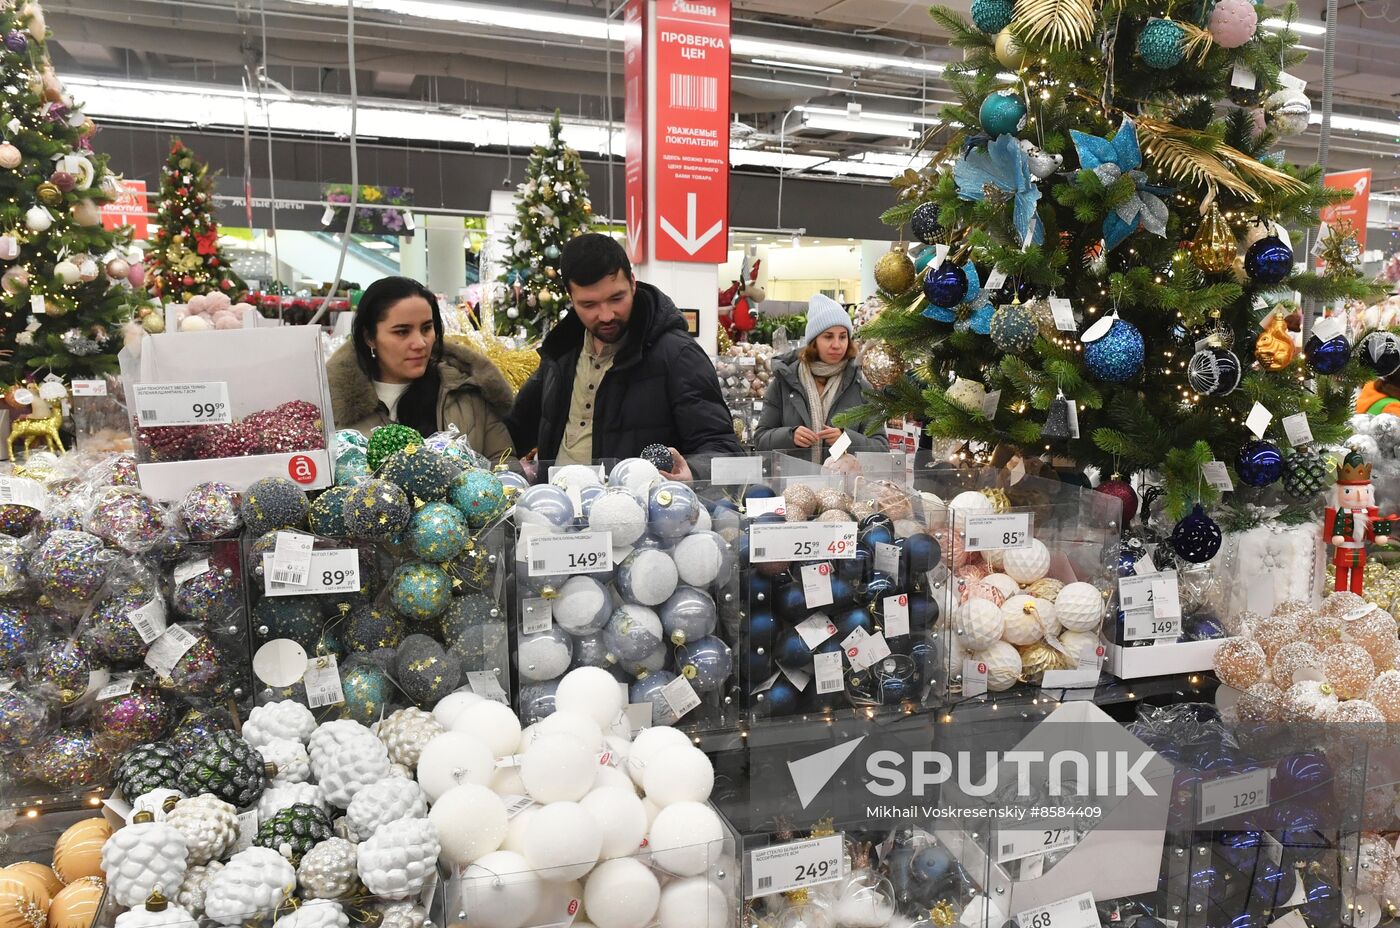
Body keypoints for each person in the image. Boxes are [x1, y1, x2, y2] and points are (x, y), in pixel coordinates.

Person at [507, 233, 742, 479]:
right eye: (589, 305)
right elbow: (514, 430)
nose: (606, 315)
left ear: (632, 282)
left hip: (639, 513)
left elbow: (725, 450)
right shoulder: (561, 352)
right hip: (557, 509)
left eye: (616, 298)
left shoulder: (677, 354)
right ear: (570, 297)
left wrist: (692, 472)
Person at [328, 275, 515, 459]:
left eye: (426, 328)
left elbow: (506, 464)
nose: (420, 343)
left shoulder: (466, 391)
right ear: (369, 337)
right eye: (402, 332)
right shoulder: (334, 408)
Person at [754, 294, 889, 460]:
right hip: (793, 483)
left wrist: (846, 440)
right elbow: (760, 440)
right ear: (814, 341)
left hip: (843, 483)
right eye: (828, 336)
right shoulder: (784, 382)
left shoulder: (861, 386)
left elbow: (881, 448)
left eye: (843, 336)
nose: (837, 345)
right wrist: (790, 436)